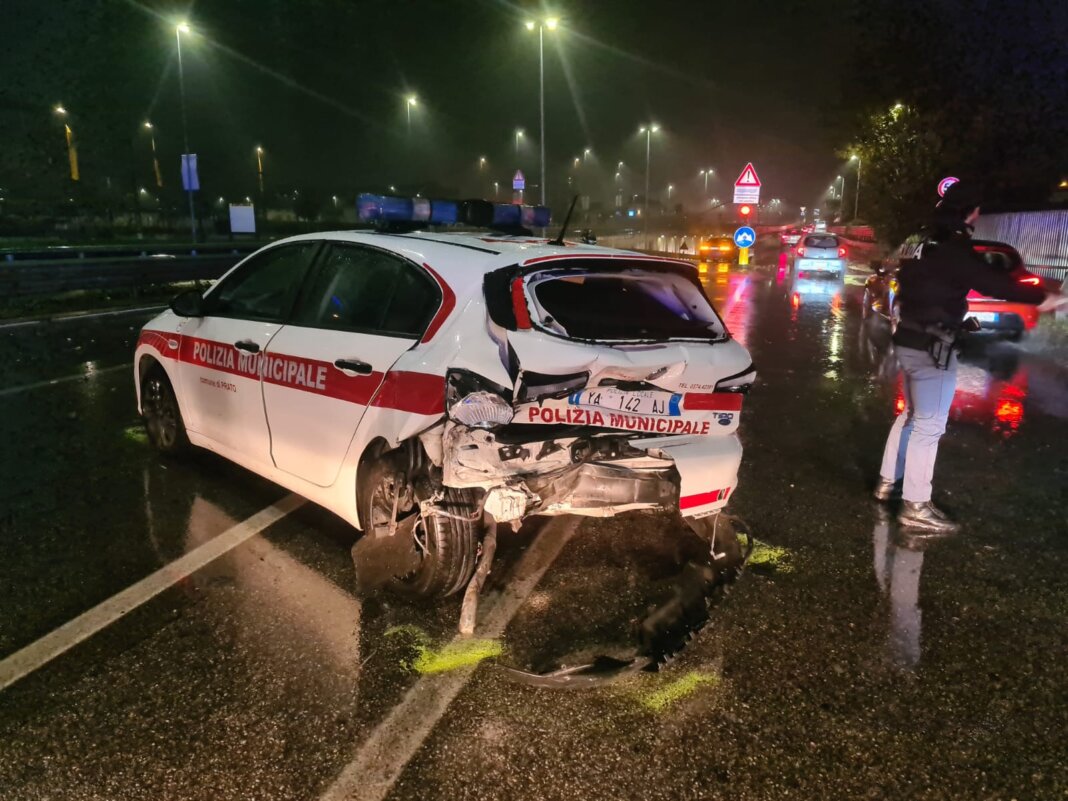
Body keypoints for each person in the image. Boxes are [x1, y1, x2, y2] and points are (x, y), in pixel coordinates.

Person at [874, 180, 1064, 532]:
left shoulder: (921, 242)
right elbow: (993, 283)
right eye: (977, 209)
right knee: (928, 425)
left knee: (911, 416)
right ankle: (915, 506)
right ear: (970, 212)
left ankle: (888, 483)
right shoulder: (954, 248)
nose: (979, 214)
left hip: (909, 339)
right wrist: (1044, 299)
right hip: (933, 347)